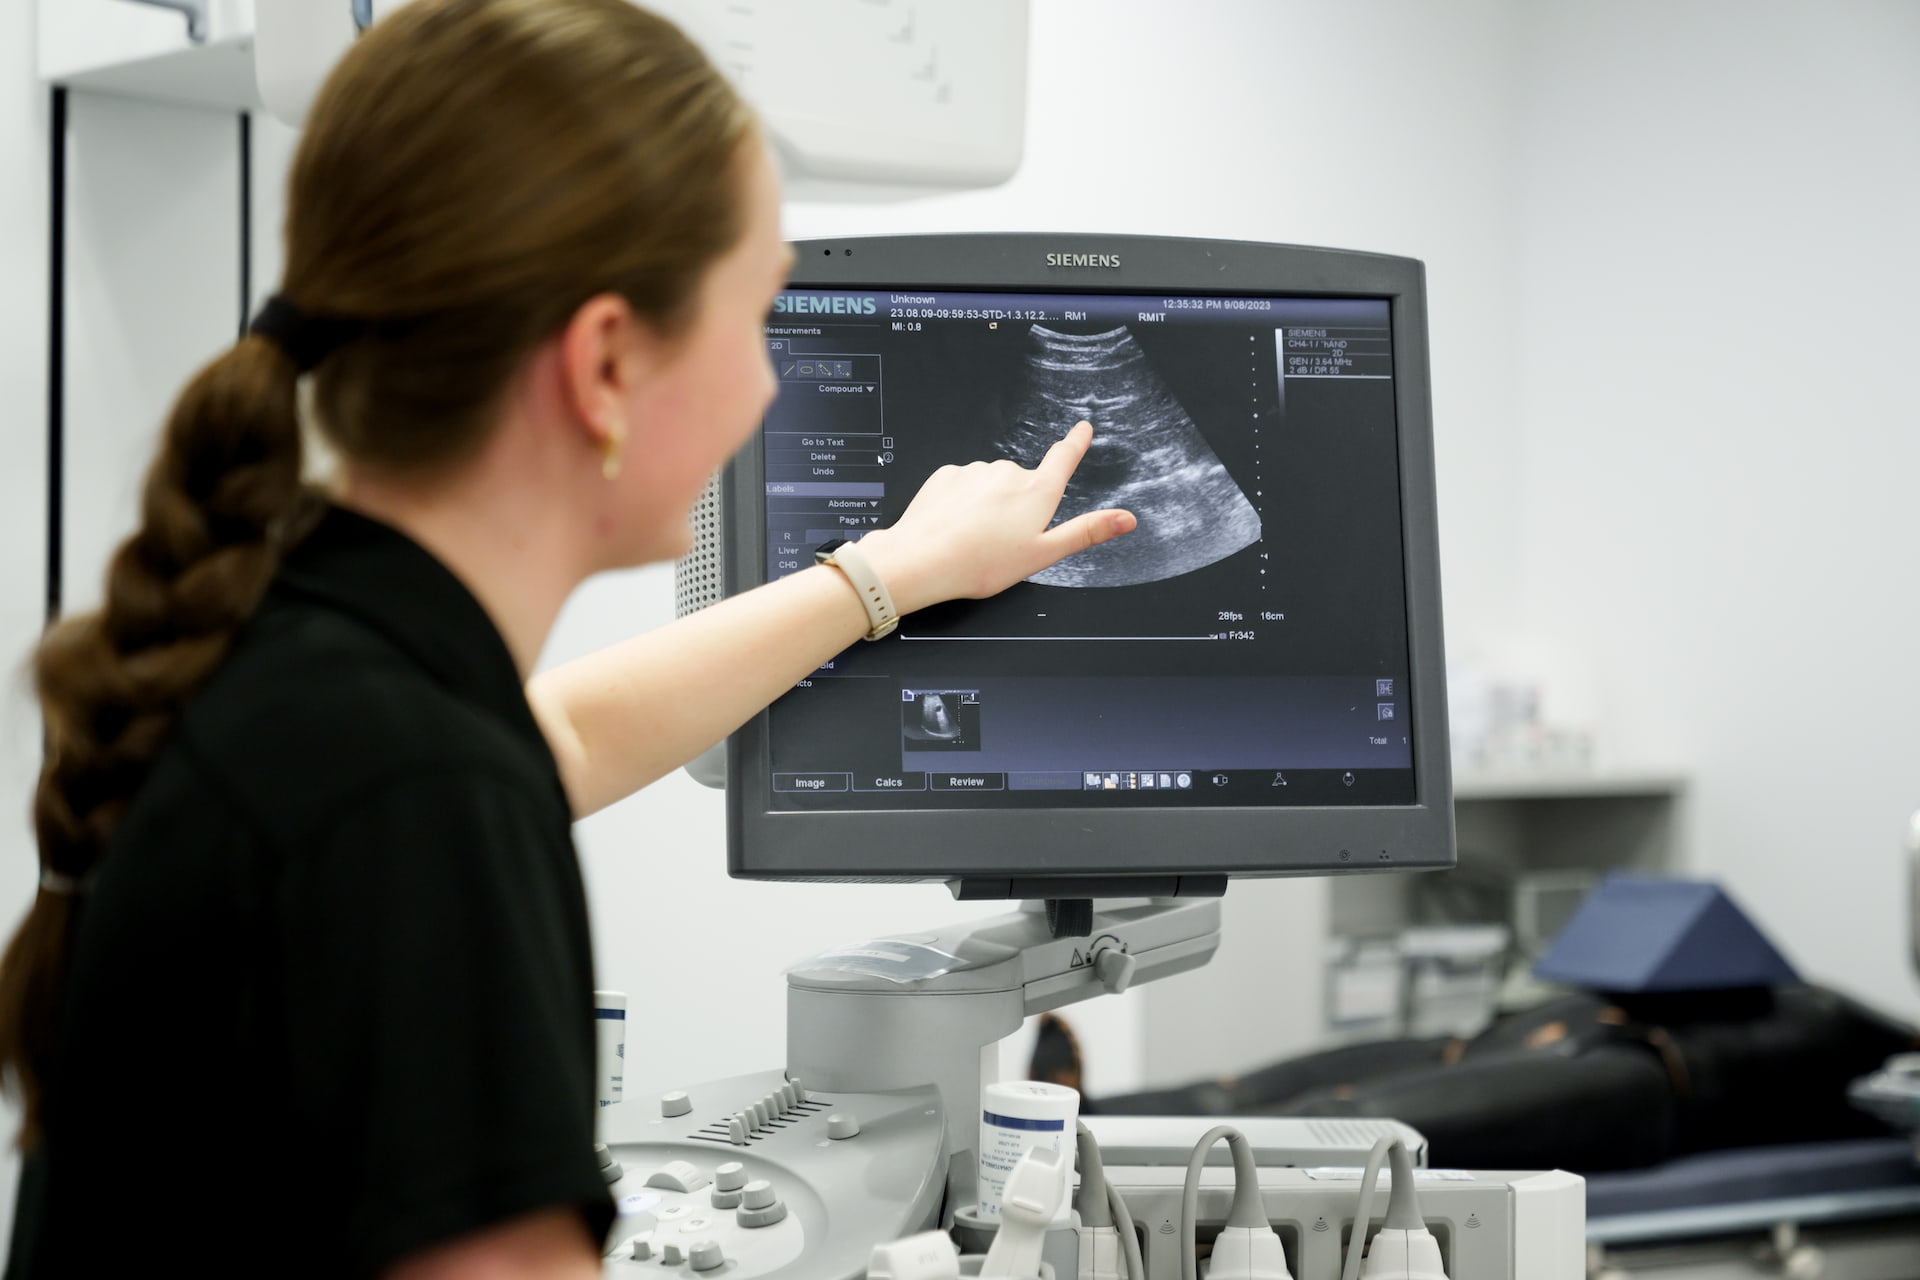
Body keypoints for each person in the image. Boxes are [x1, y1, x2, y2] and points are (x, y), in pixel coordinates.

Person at [0, 2, 1135, 1276]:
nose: (768, 383)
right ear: (603, 364)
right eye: (757, 311)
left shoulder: (302, 665)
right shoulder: (412, 789)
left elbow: (571, 730)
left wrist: (890, 576)